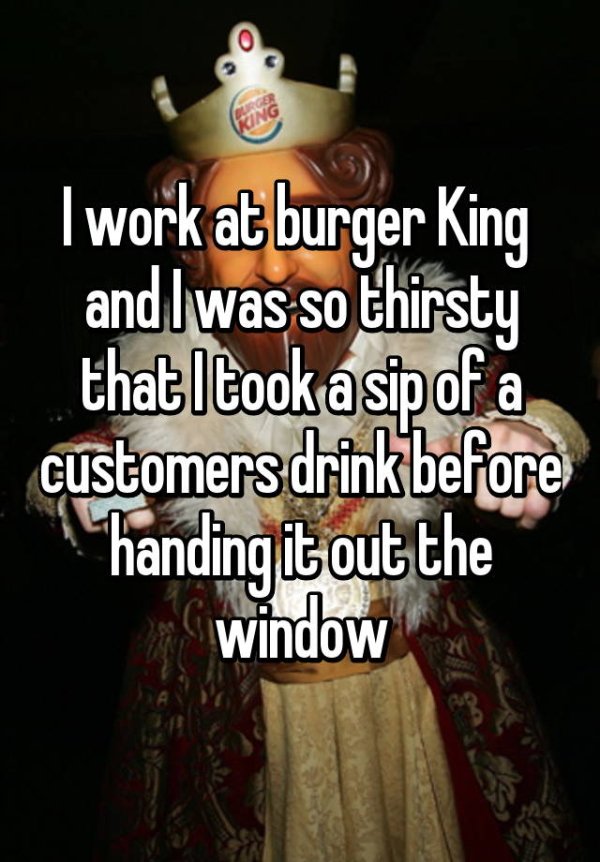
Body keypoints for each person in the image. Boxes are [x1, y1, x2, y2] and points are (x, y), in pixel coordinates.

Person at [27, 21, 589, 862]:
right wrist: (73, 481)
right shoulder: (162, 373)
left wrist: (534, 440)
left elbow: (537, 418)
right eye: (235, 232)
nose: (275, 265)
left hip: (409, 698)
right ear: (197, 257)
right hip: (229, 713)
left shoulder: (429, 346)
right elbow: (70, 468)